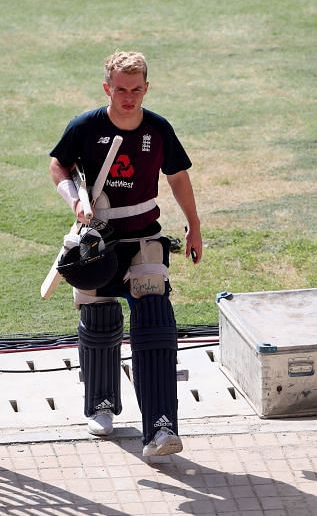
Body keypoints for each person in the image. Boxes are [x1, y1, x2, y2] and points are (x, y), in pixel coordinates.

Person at [48, 50, 202, 457]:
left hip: (145, 237)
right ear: (107, 88)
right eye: (121, 90)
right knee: (98, 318)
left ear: (146, 88)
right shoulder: (85, 126)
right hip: (96, 240)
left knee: (156, 325)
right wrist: (74, 200)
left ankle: (161, 426)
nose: (129, 97)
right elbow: (59, 165)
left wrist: (194, 224)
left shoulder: (158, 129)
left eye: (136, 90)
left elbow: (178, 176)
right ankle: (101, 402)